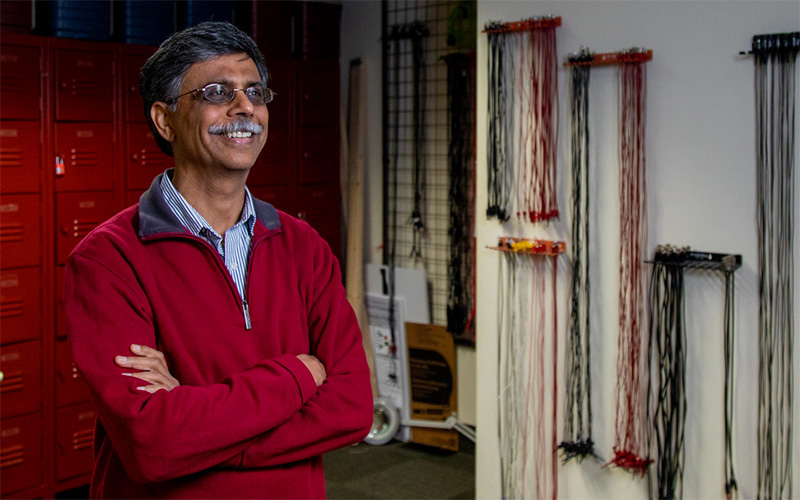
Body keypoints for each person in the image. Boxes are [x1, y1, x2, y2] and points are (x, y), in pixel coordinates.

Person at [64, 21, 373, 499]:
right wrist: (297, 375)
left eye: (255, 91)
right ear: (165, 120)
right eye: (217, 91)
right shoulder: (108, 259)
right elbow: (151, 444)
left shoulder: (304, 246)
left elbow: (352, 406)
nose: (245, 107)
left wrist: (202, 432)